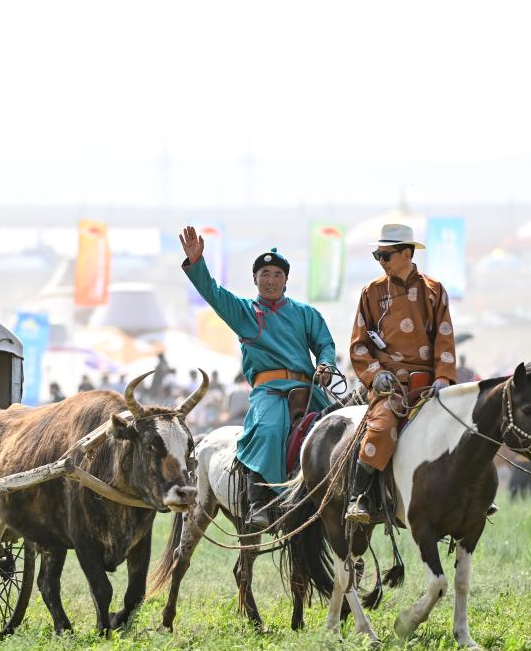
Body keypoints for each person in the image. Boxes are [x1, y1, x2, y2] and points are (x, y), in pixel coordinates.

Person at [180, 226, 336, 529]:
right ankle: (258, 504)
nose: (271, 280)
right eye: (264, 274)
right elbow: (213, 292)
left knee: (340, 429)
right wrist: (197, 264)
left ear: (286, 280)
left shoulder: (306, 314)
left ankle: (352, 498)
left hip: (309, 388)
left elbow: (325, 345)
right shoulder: (244, 312)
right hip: (271, 392)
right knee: (268, 428)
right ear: (255, 279)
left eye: (277, 274)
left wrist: (327, 364)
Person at [346, 223, 461, 522]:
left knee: (463, 428)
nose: (381, 262)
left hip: (430, 382)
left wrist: (443, 377)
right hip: (391, 383)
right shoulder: (370, 293)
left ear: (407, 253)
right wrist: (374, 374)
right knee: (382, 428)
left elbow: (445, 337)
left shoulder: (435, 290)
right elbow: (359, 345)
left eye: (385, 255)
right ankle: (359, 497)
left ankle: (472, 497)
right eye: (377, 256)